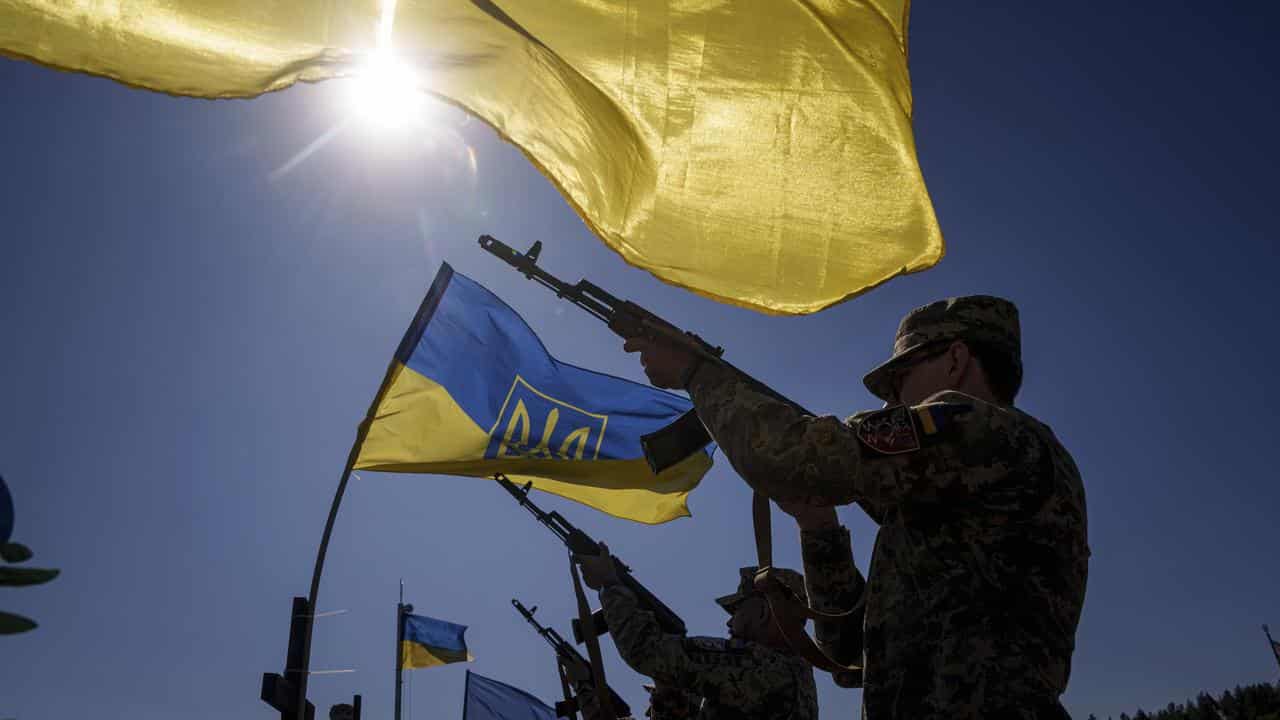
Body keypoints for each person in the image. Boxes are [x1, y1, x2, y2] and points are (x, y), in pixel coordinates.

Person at [625, 295, 1089, 719]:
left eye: (899, 377)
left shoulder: (978, 429)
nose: (891, 399)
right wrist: (818, 528)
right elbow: (850, 655)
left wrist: (694, 370)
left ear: (955, 360)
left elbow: (783, 455)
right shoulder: (963, 488)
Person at [575, 544, 818, 720]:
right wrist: (665, 692)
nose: (730, 622)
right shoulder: (789, 673)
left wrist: (609, 584)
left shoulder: (765, 665)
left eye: (738, 609)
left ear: (765, 611)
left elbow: (645, 651)